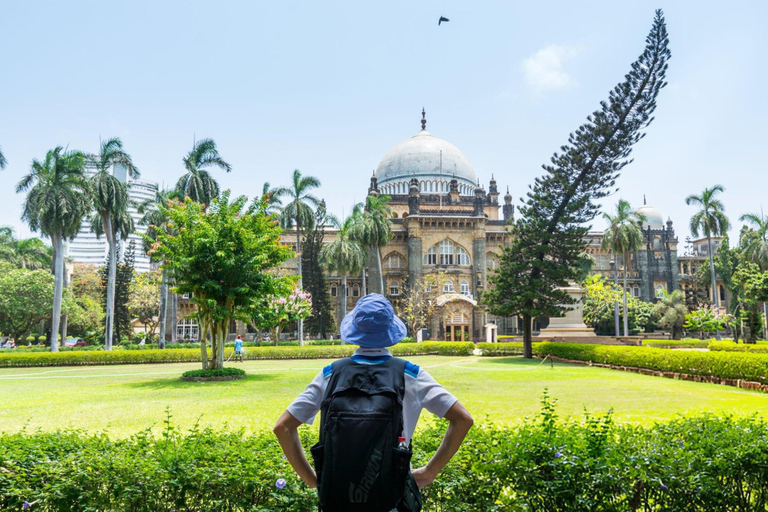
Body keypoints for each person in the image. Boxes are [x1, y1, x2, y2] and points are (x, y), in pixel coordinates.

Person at [273, 294, 473, 511]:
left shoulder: (331, 374)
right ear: (390, 333)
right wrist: (428, 473)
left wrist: (313, 480)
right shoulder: (410, 375)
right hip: (391, 500)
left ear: (354, 332)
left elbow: (283, 427)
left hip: (337, 500)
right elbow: (463, 419)